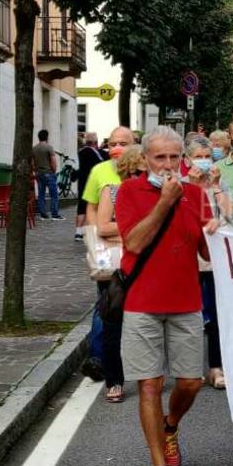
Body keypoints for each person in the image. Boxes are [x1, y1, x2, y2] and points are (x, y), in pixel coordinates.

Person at [115, 126, 216, 466]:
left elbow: (207, 252)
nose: (169, 164)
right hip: (142, 303)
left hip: (186, 301)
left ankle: (170, 425)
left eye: (176, 157)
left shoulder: (195, 194)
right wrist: (164, 203)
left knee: (190, 383)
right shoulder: (128, 192)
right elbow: (135, 242)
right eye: (161, 157)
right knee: (150, 385)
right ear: (145, 160)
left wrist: (216, 229)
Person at [81, 126, 136, 382]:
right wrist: (95, 239)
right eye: (113, 143)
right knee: (107, 300)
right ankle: (98, 357)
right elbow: (91, 208)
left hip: (135, 248)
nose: (117, 148)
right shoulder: (100, 172)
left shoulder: (142, 171)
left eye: (123, 143)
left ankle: (125, 357)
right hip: (109, 248)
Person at [95, 145, 146, 403]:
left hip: (148, 265)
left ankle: (149, 374)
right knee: (113, 322)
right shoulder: (112, 191)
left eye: (144, 172)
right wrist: (133, 229)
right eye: (136, 172)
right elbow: (102, 226)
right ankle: (114, 379)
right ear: (126, 170)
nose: (140, 176)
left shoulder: (155, 193)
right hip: (118, 267)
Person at [185, 136, 233, 390]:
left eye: (207, 156)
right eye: (198, 157)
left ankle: (216, 366)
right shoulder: (180, 184)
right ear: (188, 160)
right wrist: (193, 187)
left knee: (215, 314)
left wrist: (215, 187)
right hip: (188, 258)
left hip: (215, 257)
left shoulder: (220, 182)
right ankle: (191, 369)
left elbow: (230, 212)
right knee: (189, 315)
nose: (203, 161)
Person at [75, 132, 106, 242]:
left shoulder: (80, 152)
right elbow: (103, 163)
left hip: (82, 183)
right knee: (94, 207)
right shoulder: (96, 153)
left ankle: (78, 231)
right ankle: (93, 231)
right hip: (94, 183)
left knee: (81, 207)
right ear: (95, 142)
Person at [32, 129, 63, 221]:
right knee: (54, 194)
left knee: (41, 194)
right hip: (48, 173)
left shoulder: (34, 148)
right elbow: (53, 161)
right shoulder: (49, 147)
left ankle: (43, 215)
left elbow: (32, 163)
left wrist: (36, 170)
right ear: (47, 137)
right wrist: (53, 171)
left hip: (39, 174)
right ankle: (55, 214)